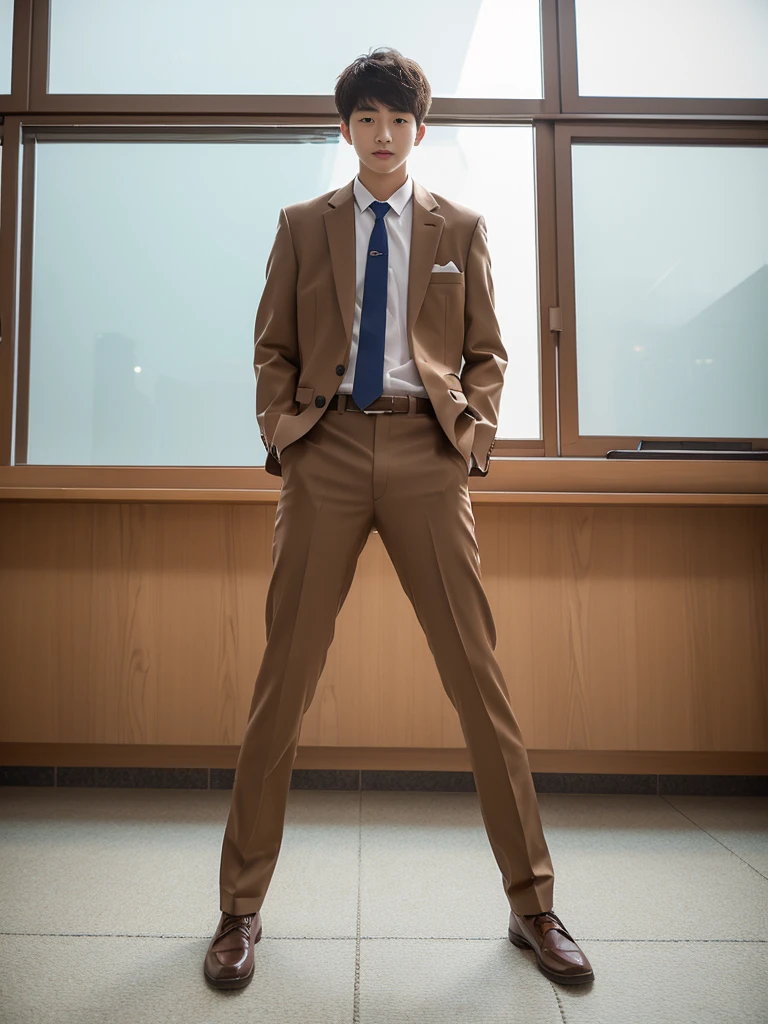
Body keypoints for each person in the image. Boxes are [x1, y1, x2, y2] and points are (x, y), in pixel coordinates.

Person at [204, 46, 594, 991]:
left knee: (478, 681)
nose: (383, 135)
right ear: (346, 131)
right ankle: (238, 911)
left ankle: (533, 904)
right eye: (366, 120)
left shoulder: (459, 224)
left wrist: (474, 436)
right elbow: (272, 345)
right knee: (283, 682)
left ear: (420, 130)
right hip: (326, 451)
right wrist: (286, 432)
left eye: (398, 120)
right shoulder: (303, 224)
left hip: (427, 453)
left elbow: (490, 350)